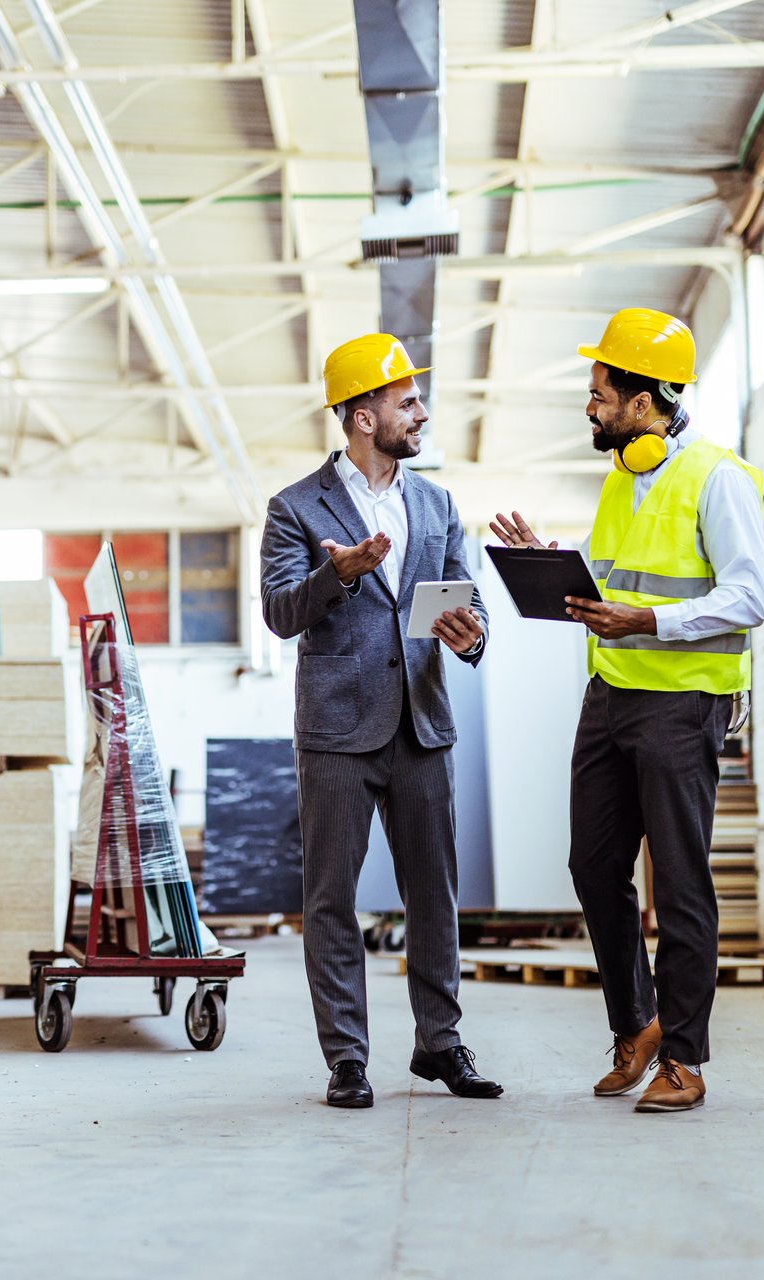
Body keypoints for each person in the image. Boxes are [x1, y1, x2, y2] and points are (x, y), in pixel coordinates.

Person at [492, 308, 764, 1114]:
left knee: (679, 878)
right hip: (610, 696)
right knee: (592, 866)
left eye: (599, 391)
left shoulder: (718, 478)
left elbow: (749, 597)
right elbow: (616, 586)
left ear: (642, 401)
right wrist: (556, 569)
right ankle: (638, 1024)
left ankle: (684, 1058)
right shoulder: (620, 482)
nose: (590, 406)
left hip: (683, 703)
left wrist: (647, 621)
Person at [260, 333, 502, 1110]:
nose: (422, 413)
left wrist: (474, 634)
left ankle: (441, 1044)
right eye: (407, 402)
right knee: (332, 896)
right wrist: (339, 573)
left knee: (434, 894)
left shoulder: (434, 503)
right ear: (363, 415)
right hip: (336, 730)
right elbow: (277, 612)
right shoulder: (295, 507)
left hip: (423, 723)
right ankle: (347, 1058)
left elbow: (465, 596)